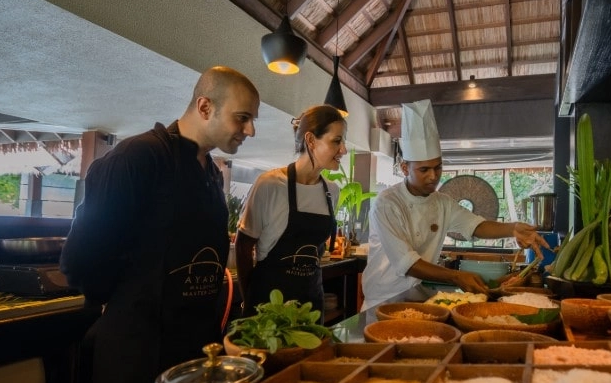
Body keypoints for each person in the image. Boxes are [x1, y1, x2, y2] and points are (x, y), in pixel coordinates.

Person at [60, 65, 260, 383]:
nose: (250, 130)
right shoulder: (137, 157)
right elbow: (83, 258)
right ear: (205, 107)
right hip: (139, 351)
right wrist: (129, 306)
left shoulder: (210, 173)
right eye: (243, 118)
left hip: (195, 348)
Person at [361, 99, 548, 310]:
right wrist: (456, 276)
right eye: (424, 170)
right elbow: (408, 263)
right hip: (382, 300)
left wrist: (513, 229)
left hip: (418, 296)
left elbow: (475, 225)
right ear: (405, 168)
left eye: (438, 168)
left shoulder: (442, 202)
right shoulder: (387, 203)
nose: (433, 176)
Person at [234, 105, 346, 317]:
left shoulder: (332, 191)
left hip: (310, 304)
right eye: (337, 141)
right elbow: (243, 246)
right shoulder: (270, 184)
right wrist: (250, 301)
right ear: (311, 140)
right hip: (268, 306)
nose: (344, 150)